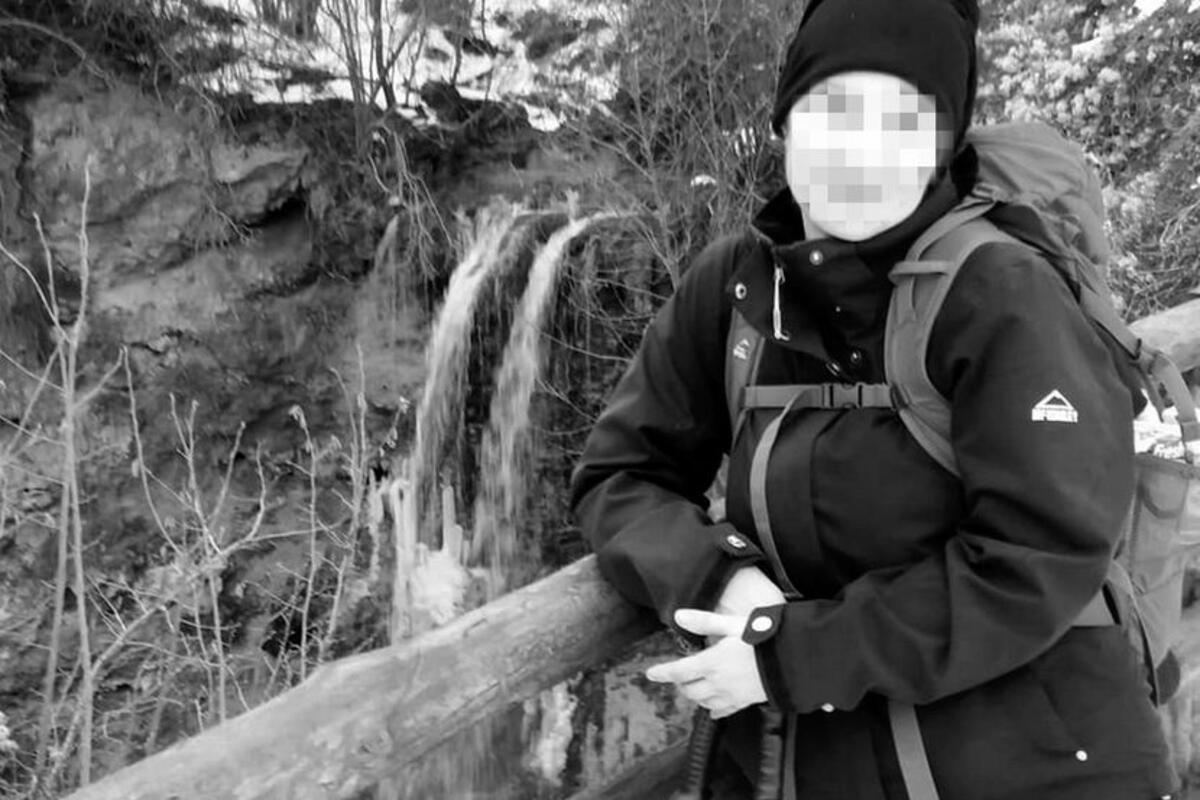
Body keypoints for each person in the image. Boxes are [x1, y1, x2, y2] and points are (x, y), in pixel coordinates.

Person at [568, 0, 1179, 797]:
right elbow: (620, 474)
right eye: (834, 110)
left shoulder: (1001, 294)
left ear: (941, 148)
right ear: (786, 123)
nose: (861, 150)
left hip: (1039, 764)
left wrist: (791, 655)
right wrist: (719, 577)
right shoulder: (737, 287)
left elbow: (1038, 556)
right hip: (803, 763)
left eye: (903, 121)